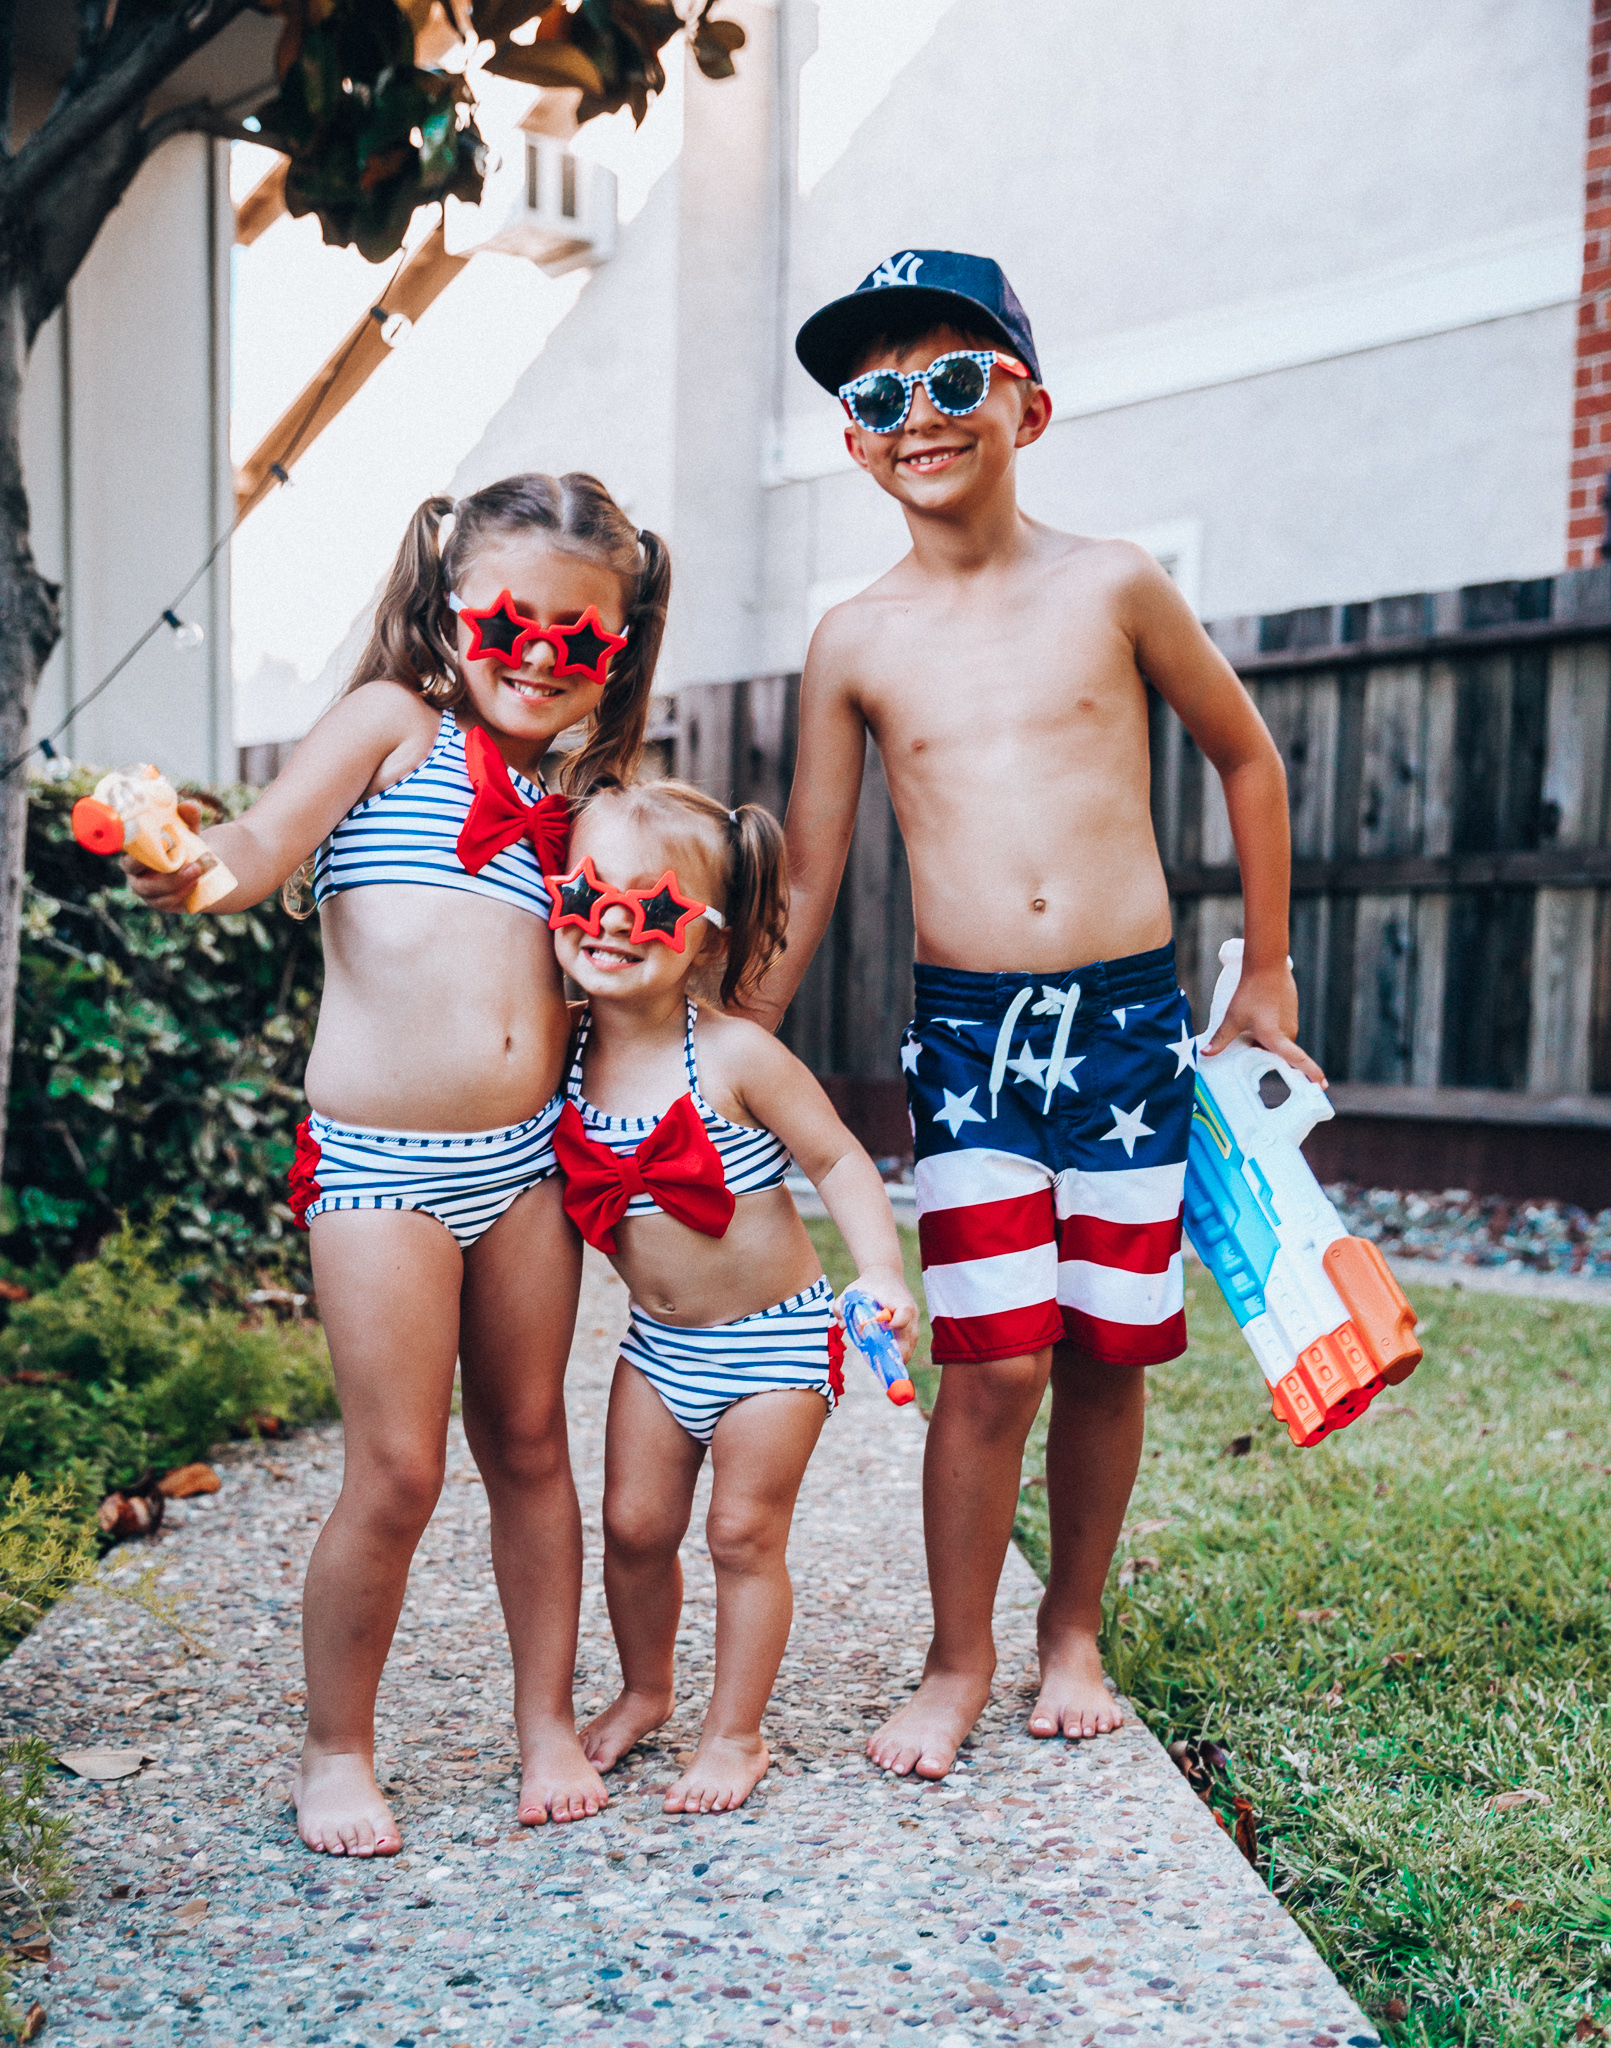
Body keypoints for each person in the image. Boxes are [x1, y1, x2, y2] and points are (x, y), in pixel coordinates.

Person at [748, 250, 1324, 1781]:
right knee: (990, 1356)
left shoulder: (1113, 583)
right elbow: (805, 872)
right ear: (857, 442)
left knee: (1105, 1344)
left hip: (1130, 1032)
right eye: (879, 396)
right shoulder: (852, 640)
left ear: (1028, 405)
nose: (918, 414)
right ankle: (958, 1656)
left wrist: (1260, 969)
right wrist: (726, 1045)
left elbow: (1248, 758)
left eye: (952, 377)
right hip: (971, 1042)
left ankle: (1070, 1627)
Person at [123, 472, 670, 1854]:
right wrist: (196, 869)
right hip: (381, 1169)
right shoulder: (391, 728)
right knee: (397, 1469)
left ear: (619, 644)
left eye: (581, 636)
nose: (542, 654)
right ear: (445, 604)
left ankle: (544, 1722)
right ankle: (335, 1747)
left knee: (531, 1445)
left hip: (526, 1167)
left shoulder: (592, 795)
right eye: (510, 618)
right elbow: (258, 842)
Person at [548, 779, 917, 1814]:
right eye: (588, 889)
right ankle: (647, 1687)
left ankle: (735, 1731)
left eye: (651, 902)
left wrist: (881, 1271)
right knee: (632, 1524)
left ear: (708, 938)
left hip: (776, 1343)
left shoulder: (736, 1054)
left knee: (743, 1534)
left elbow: (840, 1158)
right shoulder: (559, 1049)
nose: (613, 920)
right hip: (658, 1343)